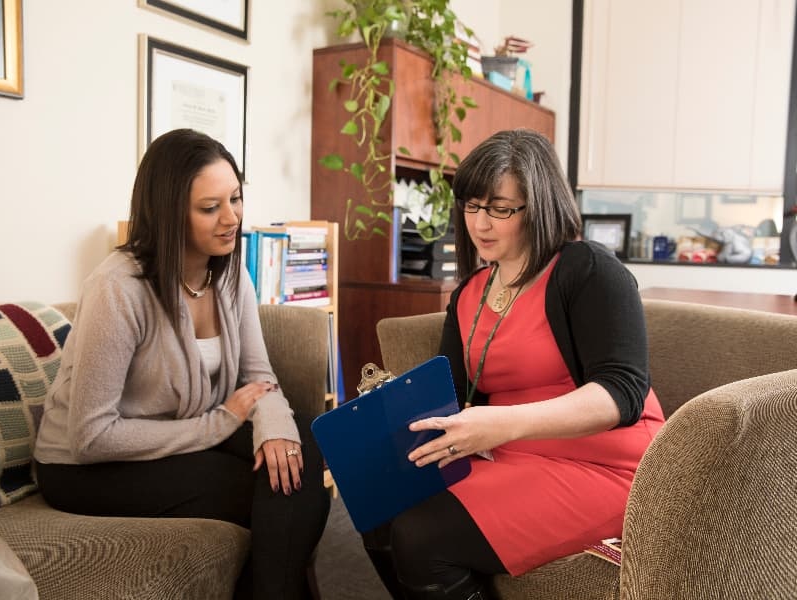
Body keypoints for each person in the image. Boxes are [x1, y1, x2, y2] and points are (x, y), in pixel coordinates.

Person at [363, 129, 665, 600]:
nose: (480, 223)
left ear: (539, 205)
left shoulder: (586, 269)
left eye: (500, 209)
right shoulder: (469, 293)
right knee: (377, 506)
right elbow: (451, 391)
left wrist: (500, 425)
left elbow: (622, 392)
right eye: (471, 206)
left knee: (421, 535)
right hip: (512, 453)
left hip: (606, 464)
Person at [33, 128, 330, 599]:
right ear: (170, 213)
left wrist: (274, 425)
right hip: (84, 468)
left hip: (180, 433)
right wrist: (219, 424)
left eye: (235, 199)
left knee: (304, 446)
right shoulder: (119, 289)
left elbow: (259, 377)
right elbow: (91, 436)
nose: (231, 218)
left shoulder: (229, 272)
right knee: (271, 490)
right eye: (210, 208)